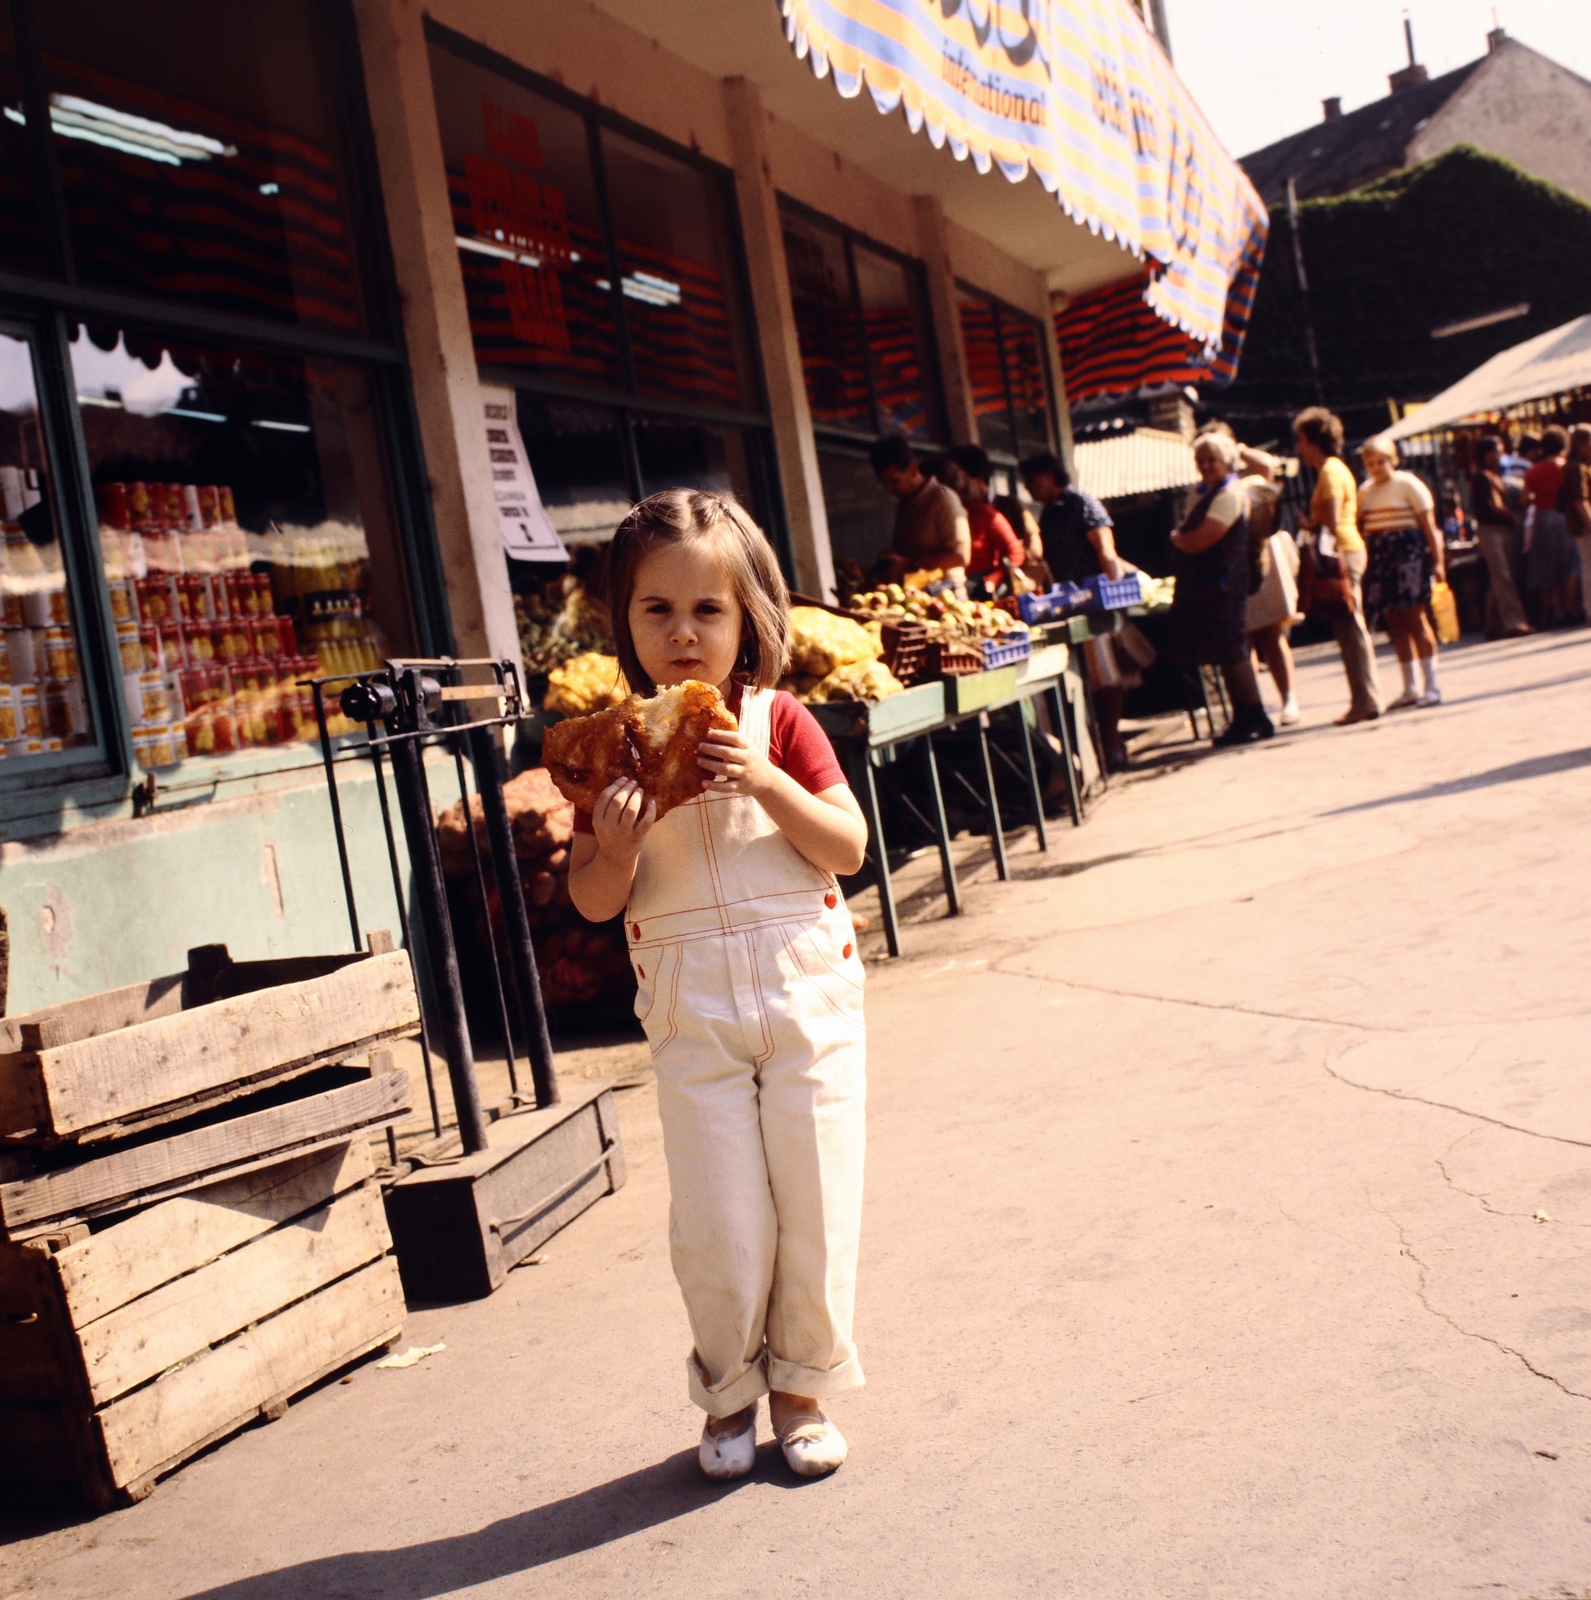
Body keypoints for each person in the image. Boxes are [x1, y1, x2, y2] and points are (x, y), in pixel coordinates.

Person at [567, 489, 869, 1483]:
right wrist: (613, 845)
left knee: (815, 1200)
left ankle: (804, 1387)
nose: (684, 634)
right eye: (658, 610)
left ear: (748, 622)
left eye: (708, 610)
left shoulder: (777, 721)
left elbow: (850, 846)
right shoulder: (612, 750)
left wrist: (770, 783)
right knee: (720, 1222)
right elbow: (593, 903)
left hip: (803, 1002)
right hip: (689, 1014)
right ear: (628, 625)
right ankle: (729, 1388)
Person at [1021, 449, 1129, 770]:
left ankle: (1112, 744)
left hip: (1095, 604)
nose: (1028, 487)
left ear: (1049, 475)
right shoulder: (1048, 514)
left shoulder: (1081, 503)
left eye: (1032, 479)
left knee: (1105, 679)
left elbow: (1106, 550)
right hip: (1068, 607)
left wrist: (1114, 597)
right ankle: (1102, 748)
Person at [1169, 432, 1273, 745]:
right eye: (1201, 460)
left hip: (1223, 584)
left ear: (1227, 460)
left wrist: (1179, 539)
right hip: (1215, 584)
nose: (1206, 465)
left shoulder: (1228, 494)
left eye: (1212, 459)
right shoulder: (1212, 492)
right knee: (1229, 653)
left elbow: (1205, 537)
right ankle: (1248, 717)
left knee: (1232, 652)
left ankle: (1252, 716)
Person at [1294, 406, 1383, 724]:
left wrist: (1310, 524)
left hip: (1340, 554)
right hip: (1347, 549)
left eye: (1301, 440)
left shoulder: (1330, 471)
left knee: (1351, 626)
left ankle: (1366, 700)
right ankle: (1363, 698)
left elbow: (1331, 521)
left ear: (1313, 440)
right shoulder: (1335, 468)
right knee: (1348, 626)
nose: (1298, 448)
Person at [1358, 433, 1446, 708]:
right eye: (1370, 463)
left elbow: (1428, 526)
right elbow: (1360, 523)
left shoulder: (1408, 484)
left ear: (1392, 459)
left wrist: (1438, 561)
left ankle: (1432, 685)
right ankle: (1410, 687)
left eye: (1381, 461)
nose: (1376, 468)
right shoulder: (1365, 491)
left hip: (1408, 554)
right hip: (1380, 557)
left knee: (1415, 617)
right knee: (1394, 622)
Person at [1239, 445, 1301, 725]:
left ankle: (1289, 699)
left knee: (1271, 631)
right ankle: (1255, 705)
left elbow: (1268, 466)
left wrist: (1238, 449)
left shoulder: (1251, 477)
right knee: (1243, 637)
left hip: (1262, 555)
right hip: (1235, 561)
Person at [868, 433, 970, 580]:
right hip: (913, 594)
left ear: (913, 469)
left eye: (894, 481)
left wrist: (911, 563)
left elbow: (961, 556)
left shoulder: (943, 498)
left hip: (946, 595)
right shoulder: (904, 504)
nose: (889, 489)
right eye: (884, 484)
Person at [1469, 436, 1533, 638]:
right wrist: (1512, 518)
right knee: (1503, 576)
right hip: (1491, 530)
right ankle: (1515, 622)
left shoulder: (1493, 475)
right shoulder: (1483, 477)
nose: (1500, 456)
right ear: (1487, 454)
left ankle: (1492, 626)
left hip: (1499, 530)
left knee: (1499, 578)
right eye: (1497, 451)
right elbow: (1493, 504)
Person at [1522, 425, 1577, 625]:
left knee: (1546, 564)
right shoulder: (1566, 466)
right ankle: (1571, 608)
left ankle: (1551, 612)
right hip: (1565, 516)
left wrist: (1538, 496)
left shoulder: (1533, 471)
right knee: (1570, 562)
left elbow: (1523, 500)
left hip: (1543, 518)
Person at [948, 444, 1026, 587]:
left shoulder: (1007, 505)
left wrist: (994, 578)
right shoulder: (957, 510)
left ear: (979, 477)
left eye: (960, 478)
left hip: (996, 585)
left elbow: (1019, 550)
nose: (956, 485)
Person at [1558, 424, 1591, 624]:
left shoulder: (1580, 465)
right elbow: (1580, 499)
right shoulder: (1575, 467)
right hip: (1583, 524)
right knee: (1588, 566)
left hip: (1581, 523)